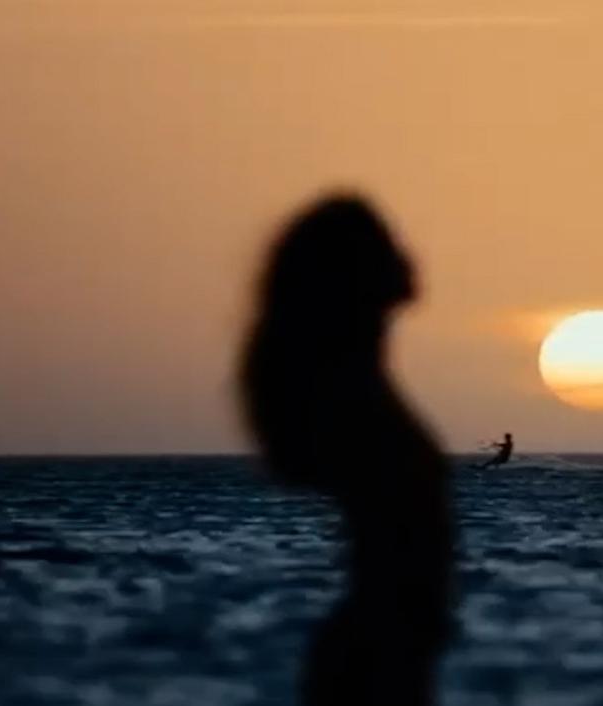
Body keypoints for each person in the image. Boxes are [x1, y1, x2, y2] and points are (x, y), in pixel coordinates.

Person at [238, 194, 456, 706]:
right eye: (385, 242)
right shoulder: (351, 407)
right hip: (379, 654)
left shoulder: (363, 397)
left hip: (392, 647)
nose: (405, 252)